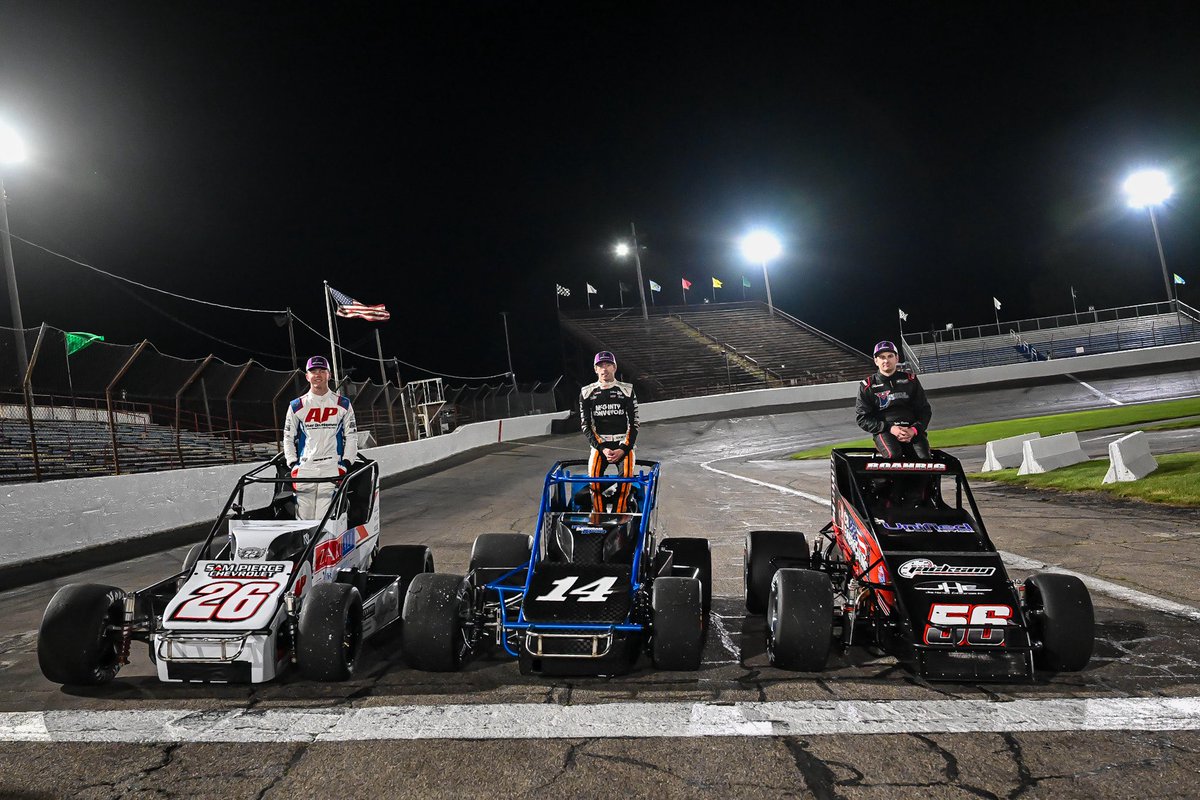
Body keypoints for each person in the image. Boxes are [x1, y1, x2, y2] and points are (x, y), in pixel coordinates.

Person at [283, 356, 358, 520]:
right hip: (305, 468)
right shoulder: (297, 405)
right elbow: (288, 437)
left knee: (325, 517)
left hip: (331, 466)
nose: (318, 374)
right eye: (313, 371)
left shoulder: (343, 404)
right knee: (304, 518)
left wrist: (346, 463)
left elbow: (352, 436)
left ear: (329, 375)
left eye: (322, 371)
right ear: (307, 376)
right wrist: (292, 464)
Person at [579, 351, 639, 515]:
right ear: (595, 369)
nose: (604, 369)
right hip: (600, 446)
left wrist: (624, 448)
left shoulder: (627, 390)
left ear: (614, 367)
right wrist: (602, 448)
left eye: (608, 365)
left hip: (623, 444)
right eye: (600, 366)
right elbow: (586, 425)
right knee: (594, 478)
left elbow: (634, 424)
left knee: (626, 477)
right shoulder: (586, 392)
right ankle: (599, 516)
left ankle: (620, 517)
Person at [855, 340, 932, 461]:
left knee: (924, 460)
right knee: (894, 457)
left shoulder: (911, 380)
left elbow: (924, 410)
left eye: (890, 356)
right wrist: (890, 428)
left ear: (897, 358)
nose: (886, 360)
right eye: (882, 357)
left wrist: (914, 429)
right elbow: (862, 418)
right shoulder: (867, 386)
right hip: (885, 431)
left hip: (911, 429)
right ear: (876, 361)